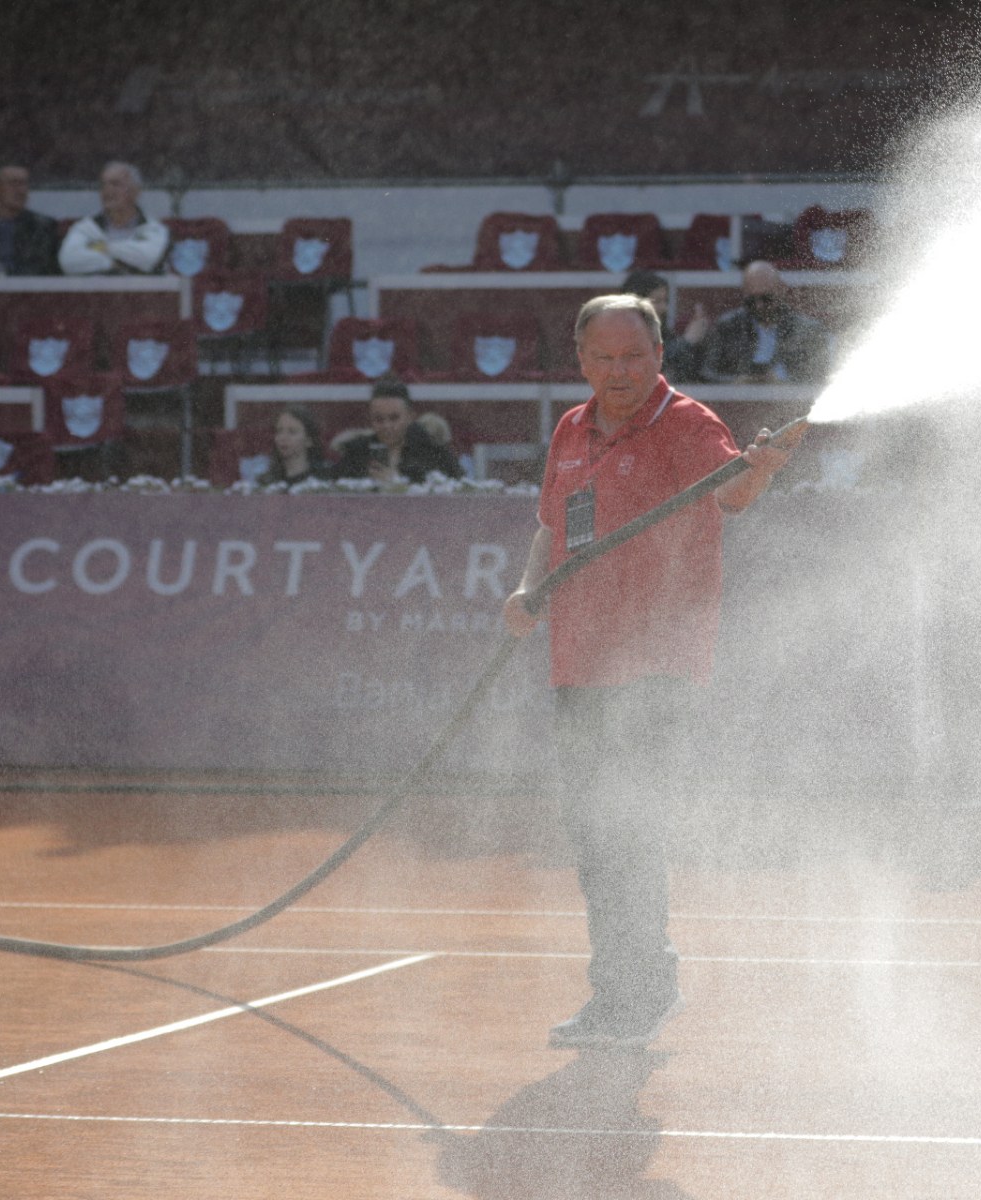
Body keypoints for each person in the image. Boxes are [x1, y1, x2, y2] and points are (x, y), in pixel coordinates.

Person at [503, 294, 799, 1049]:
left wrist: (760, 471)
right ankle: (638, 981)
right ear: (581, 360)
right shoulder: (572, 429)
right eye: (603, 358)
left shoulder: (689, 424)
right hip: (579, 659)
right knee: (596, 837)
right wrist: (527, 590)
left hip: (657, 664)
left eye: (633, 357)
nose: (619, 371)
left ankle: (631, 995)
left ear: (660, 356)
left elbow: (732, 492)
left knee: (625, 828)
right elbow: (551, 523)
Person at [698, 259, 832, 383]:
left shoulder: (807, 330)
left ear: (781, 290)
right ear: (744, 295)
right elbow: (707, 373)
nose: (759, 306)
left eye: (766, 298)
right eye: (751, 300)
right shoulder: (727, 327)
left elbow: (821, 376)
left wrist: (784, 382)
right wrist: (736, 382)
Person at [332, 376, 464, 481]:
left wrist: (397, 482)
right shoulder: (356, 453)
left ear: (410, 417)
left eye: (394, 418)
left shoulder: (434, 453)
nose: (387, 426)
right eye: (379, 419)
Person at [58, 162, 169, 276]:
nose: (107, 191)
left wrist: (101, 248)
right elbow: (68, 261)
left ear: (135, 192)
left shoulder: (154, 229)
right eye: (103, 185)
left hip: (142, 293)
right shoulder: (85, 228)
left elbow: (147, 258)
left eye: (115, 184)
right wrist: (114, 264)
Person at [621, 268, 707, 383]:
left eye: (665, 301)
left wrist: (697, 342)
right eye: (656, 301)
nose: (664, 308)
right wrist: (687, 341)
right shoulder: (616, 336)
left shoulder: (663, 333)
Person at [257, 404, 332, 486]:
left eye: (292, 432)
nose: (283, 438)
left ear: (309, 440)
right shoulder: (266, 482)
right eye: (279, 431)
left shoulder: (324, 479)